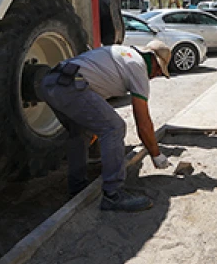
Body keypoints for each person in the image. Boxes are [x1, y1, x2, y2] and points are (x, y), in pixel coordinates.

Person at [32, 40, 174, 211]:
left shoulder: (124, 54)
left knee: (80, 132)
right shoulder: (139, 67)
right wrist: (156, 154)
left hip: (51, 82)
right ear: (154, 62)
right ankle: (113, 194)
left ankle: (78, 188)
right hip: (72, 85)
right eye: (159, 72)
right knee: (114, 127)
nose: (155, 76)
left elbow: (96, 101)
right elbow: (142, 122)